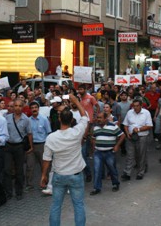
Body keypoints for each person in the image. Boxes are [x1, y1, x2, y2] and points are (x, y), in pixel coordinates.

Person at [41, 94, 88, 226]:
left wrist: (44, 175)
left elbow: (46, 159)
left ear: (60, 119)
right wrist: (76, 101)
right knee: (78, 205)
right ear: (72, 120)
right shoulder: (77, 132)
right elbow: (84, 117)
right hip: (76, 175)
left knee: (56, 205)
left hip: (59, 176)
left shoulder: (51, 138)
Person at [4, 99, 32, 200]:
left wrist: (31, 146)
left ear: (23, 106)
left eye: (20, 106)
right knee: (6, 170)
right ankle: (8, 191)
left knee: (19, 170)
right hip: (7, 146)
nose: (17, 108)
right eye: (15, 105)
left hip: (19, 147)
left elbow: (29, 134)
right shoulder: (6, 118)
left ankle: (19, 191)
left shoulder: (26, 120)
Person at [90, 112, 125, 195]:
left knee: (112, 169)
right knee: (97, 170)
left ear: (106, 118)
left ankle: (115, 184)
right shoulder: (95, 127)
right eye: (98, 118)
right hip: (98, 152)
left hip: (109, 152)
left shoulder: (113, 126)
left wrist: (117, 146)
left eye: (100, 118)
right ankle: (97, 188)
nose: (98, 119)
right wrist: (94, 148)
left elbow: (122, 135)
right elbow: (93, 138)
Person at [121, 98, 153, 181]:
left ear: (141, 106)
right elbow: (125, 124)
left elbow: (149, 126)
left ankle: (140, 172)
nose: (135, 108)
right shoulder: (129, 112)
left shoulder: (146, 113)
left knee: (141, 155)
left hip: (142, 137)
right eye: (134, 106)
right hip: (131, 137)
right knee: (130, 155)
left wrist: (139, 129)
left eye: (137, 106)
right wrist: (127, 133)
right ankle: (127, 173)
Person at [25, 101, 51, 191]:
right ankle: (29, 184)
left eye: (35, 107)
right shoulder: (28, 120)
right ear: (30, 109)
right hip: (31, 146)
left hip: (42, 145)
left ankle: (45, 183)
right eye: (32, 108)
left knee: (44, 166)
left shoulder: (44, 119)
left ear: (38, 108)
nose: (34, 109)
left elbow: (49, 133)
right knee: (29, 165)